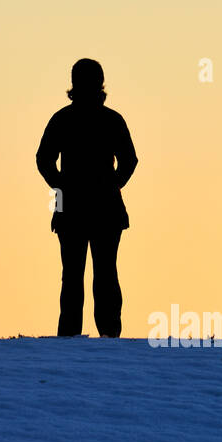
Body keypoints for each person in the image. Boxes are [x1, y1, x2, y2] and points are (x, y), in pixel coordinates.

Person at [36, 59, 138, 337]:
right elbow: (130, 161)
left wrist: (60, 186)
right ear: (100, 83)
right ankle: (108, 334)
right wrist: (113, 185)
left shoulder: (63, 119)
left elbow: (43, 160)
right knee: (104, 274)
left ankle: (71, 335)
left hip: (73, 208)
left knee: (74, 276)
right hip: (101, 208)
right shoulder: (111, 120)